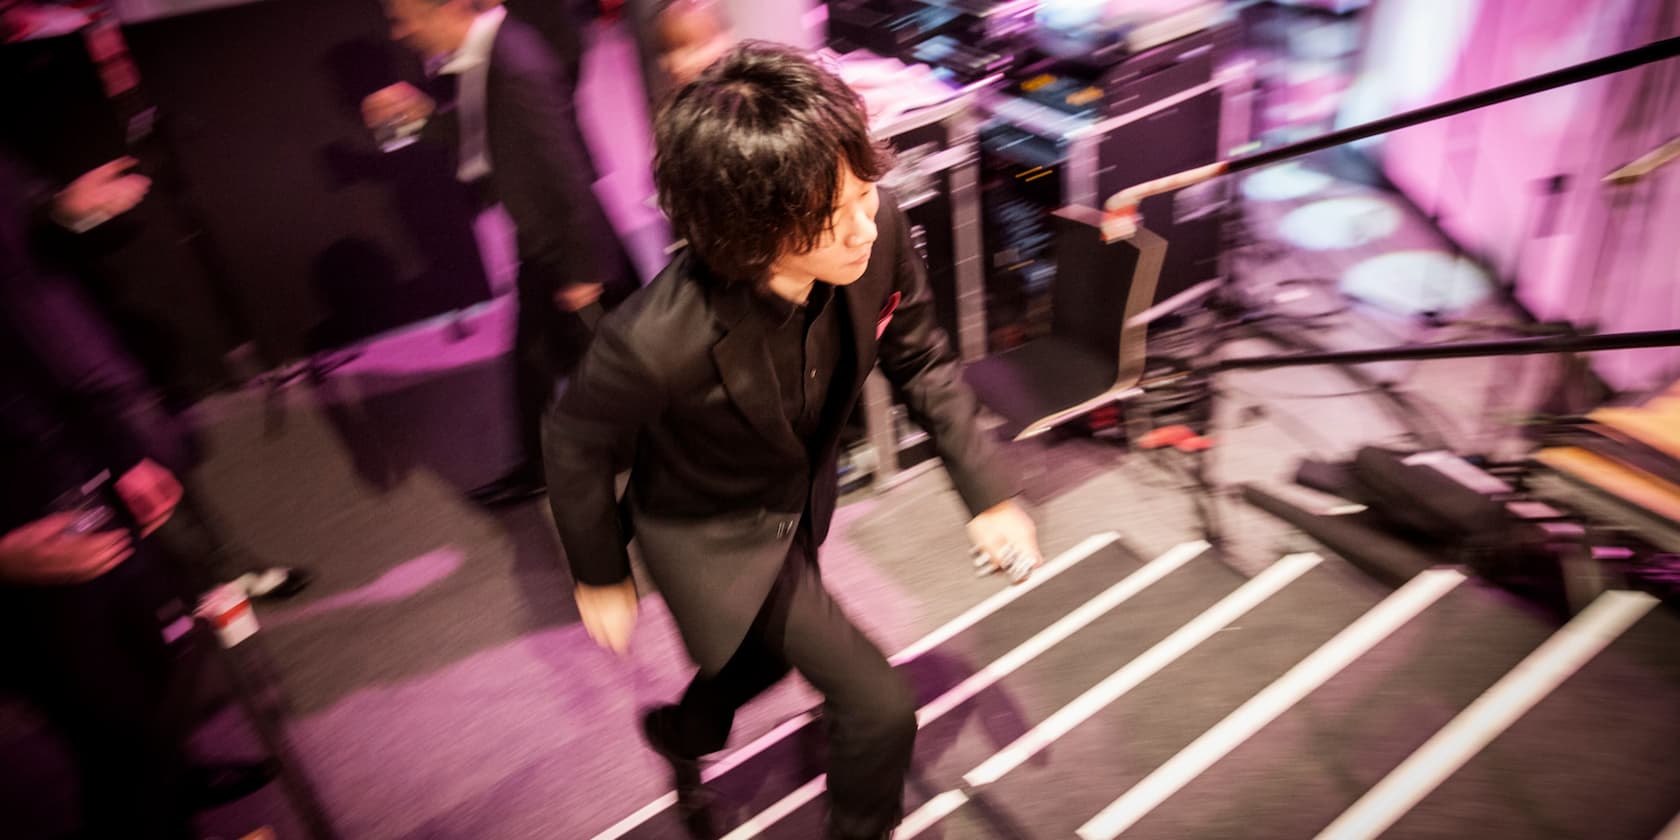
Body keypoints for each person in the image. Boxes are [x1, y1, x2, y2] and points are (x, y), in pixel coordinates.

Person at [543, 43, 1044, 839]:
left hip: (796, 493)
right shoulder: (653, 340)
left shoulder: (872, 230)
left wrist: (988, 493)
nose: (865, 226)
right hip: (706, 527)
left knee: (761, 660)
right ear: (748, 231)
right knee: (878, 708)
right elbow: (572, 443)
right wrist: (600, 575)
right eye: (831, 213)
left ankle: (684, 733)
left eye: (863, 194)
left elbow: (922, 359)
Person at [0, 155, 272, 840]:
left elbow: (21, 351)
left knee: (153, 670)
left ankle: (175, 779)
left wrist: (120, 456)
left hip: (66, 464)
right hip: (13, 548)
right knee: (107, 732)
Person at [362, 0, 639, 508]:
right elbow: (481, 145)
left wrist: (581, 270)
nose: (399, 34)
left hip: (561, 240)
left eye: (404, 19)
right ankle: (540, 466)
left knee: (611, 365)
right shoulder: (487, 53)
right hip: (541, 236)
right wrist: (422, 118)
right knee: (540, 361)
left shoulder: (513, 61)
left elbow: (567, 171)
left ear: (445, 9)